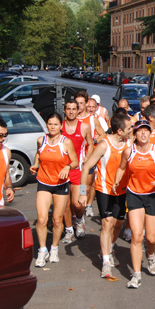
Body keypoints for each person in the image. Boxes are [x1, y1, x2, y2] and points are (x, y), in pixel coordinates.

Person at [113, 120, 155, 289]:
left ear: (150, 133)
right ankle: (136, 275)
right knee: (137, 235)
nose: (143, 134)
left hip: (153, 196)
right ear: (135, 134)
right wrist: (117, 181)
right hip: (134, 195)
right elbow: (121, 168)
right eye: (140, 131)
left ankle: (151, 254)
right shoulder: (128, 151)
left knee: (151, 238)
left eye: (146, 131)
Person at [78, 113, 133, 278]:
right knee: (107, 223)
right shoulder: (104, 145)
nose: (132, 130)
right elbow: (87, 166)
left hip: (122, 190)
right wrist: (83, 193)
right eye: (129, 128)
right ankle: (106, 263)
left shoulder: (129, 144)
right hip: (104, 190)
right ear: (119, 130)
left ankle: (109, 248)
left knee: (118, 224)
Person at [30, 113, 79, 267]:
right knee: (42, 219)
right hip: (44, 183)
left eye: (56, 124)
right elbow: (39, 154)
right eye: (50, 124)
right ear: (46, 124)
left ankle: (54, 248)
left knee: (57, 220)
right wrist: (35, 165)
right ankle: (42, 250)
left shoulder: (66, 143)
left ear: (60, 126)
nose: (52, 127)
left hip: (61, 184)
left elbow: (75, 162)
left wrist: (67, 166)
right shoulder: (41, 140)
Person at [61, 99, 94, 243]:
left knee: (78, 204)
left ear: (78, 110)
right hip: (62, 171)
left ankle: (79, 220)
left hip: (78, 171)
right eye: (68, 109)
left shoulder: (84, 127)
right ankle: (69, 230)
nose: (71, 111)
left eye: (74, 109)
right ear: (64, 110)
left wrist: (87, 157)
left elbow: (91, 144)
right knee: (65, 205)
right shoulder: (58, 126)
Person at [85, 96, 109, 217]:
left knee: (92, 183)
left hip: (95, 155)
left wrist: (93, 140)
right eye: (88, 106)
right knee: (83, 183)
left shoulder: (99, 120)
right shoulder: (80, 119)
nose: (90, 109)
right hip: (81, 156)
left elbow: (104, 135)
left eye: (92, 107)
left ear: (96, 108)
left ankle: (88, 205)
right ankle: (82, 202)